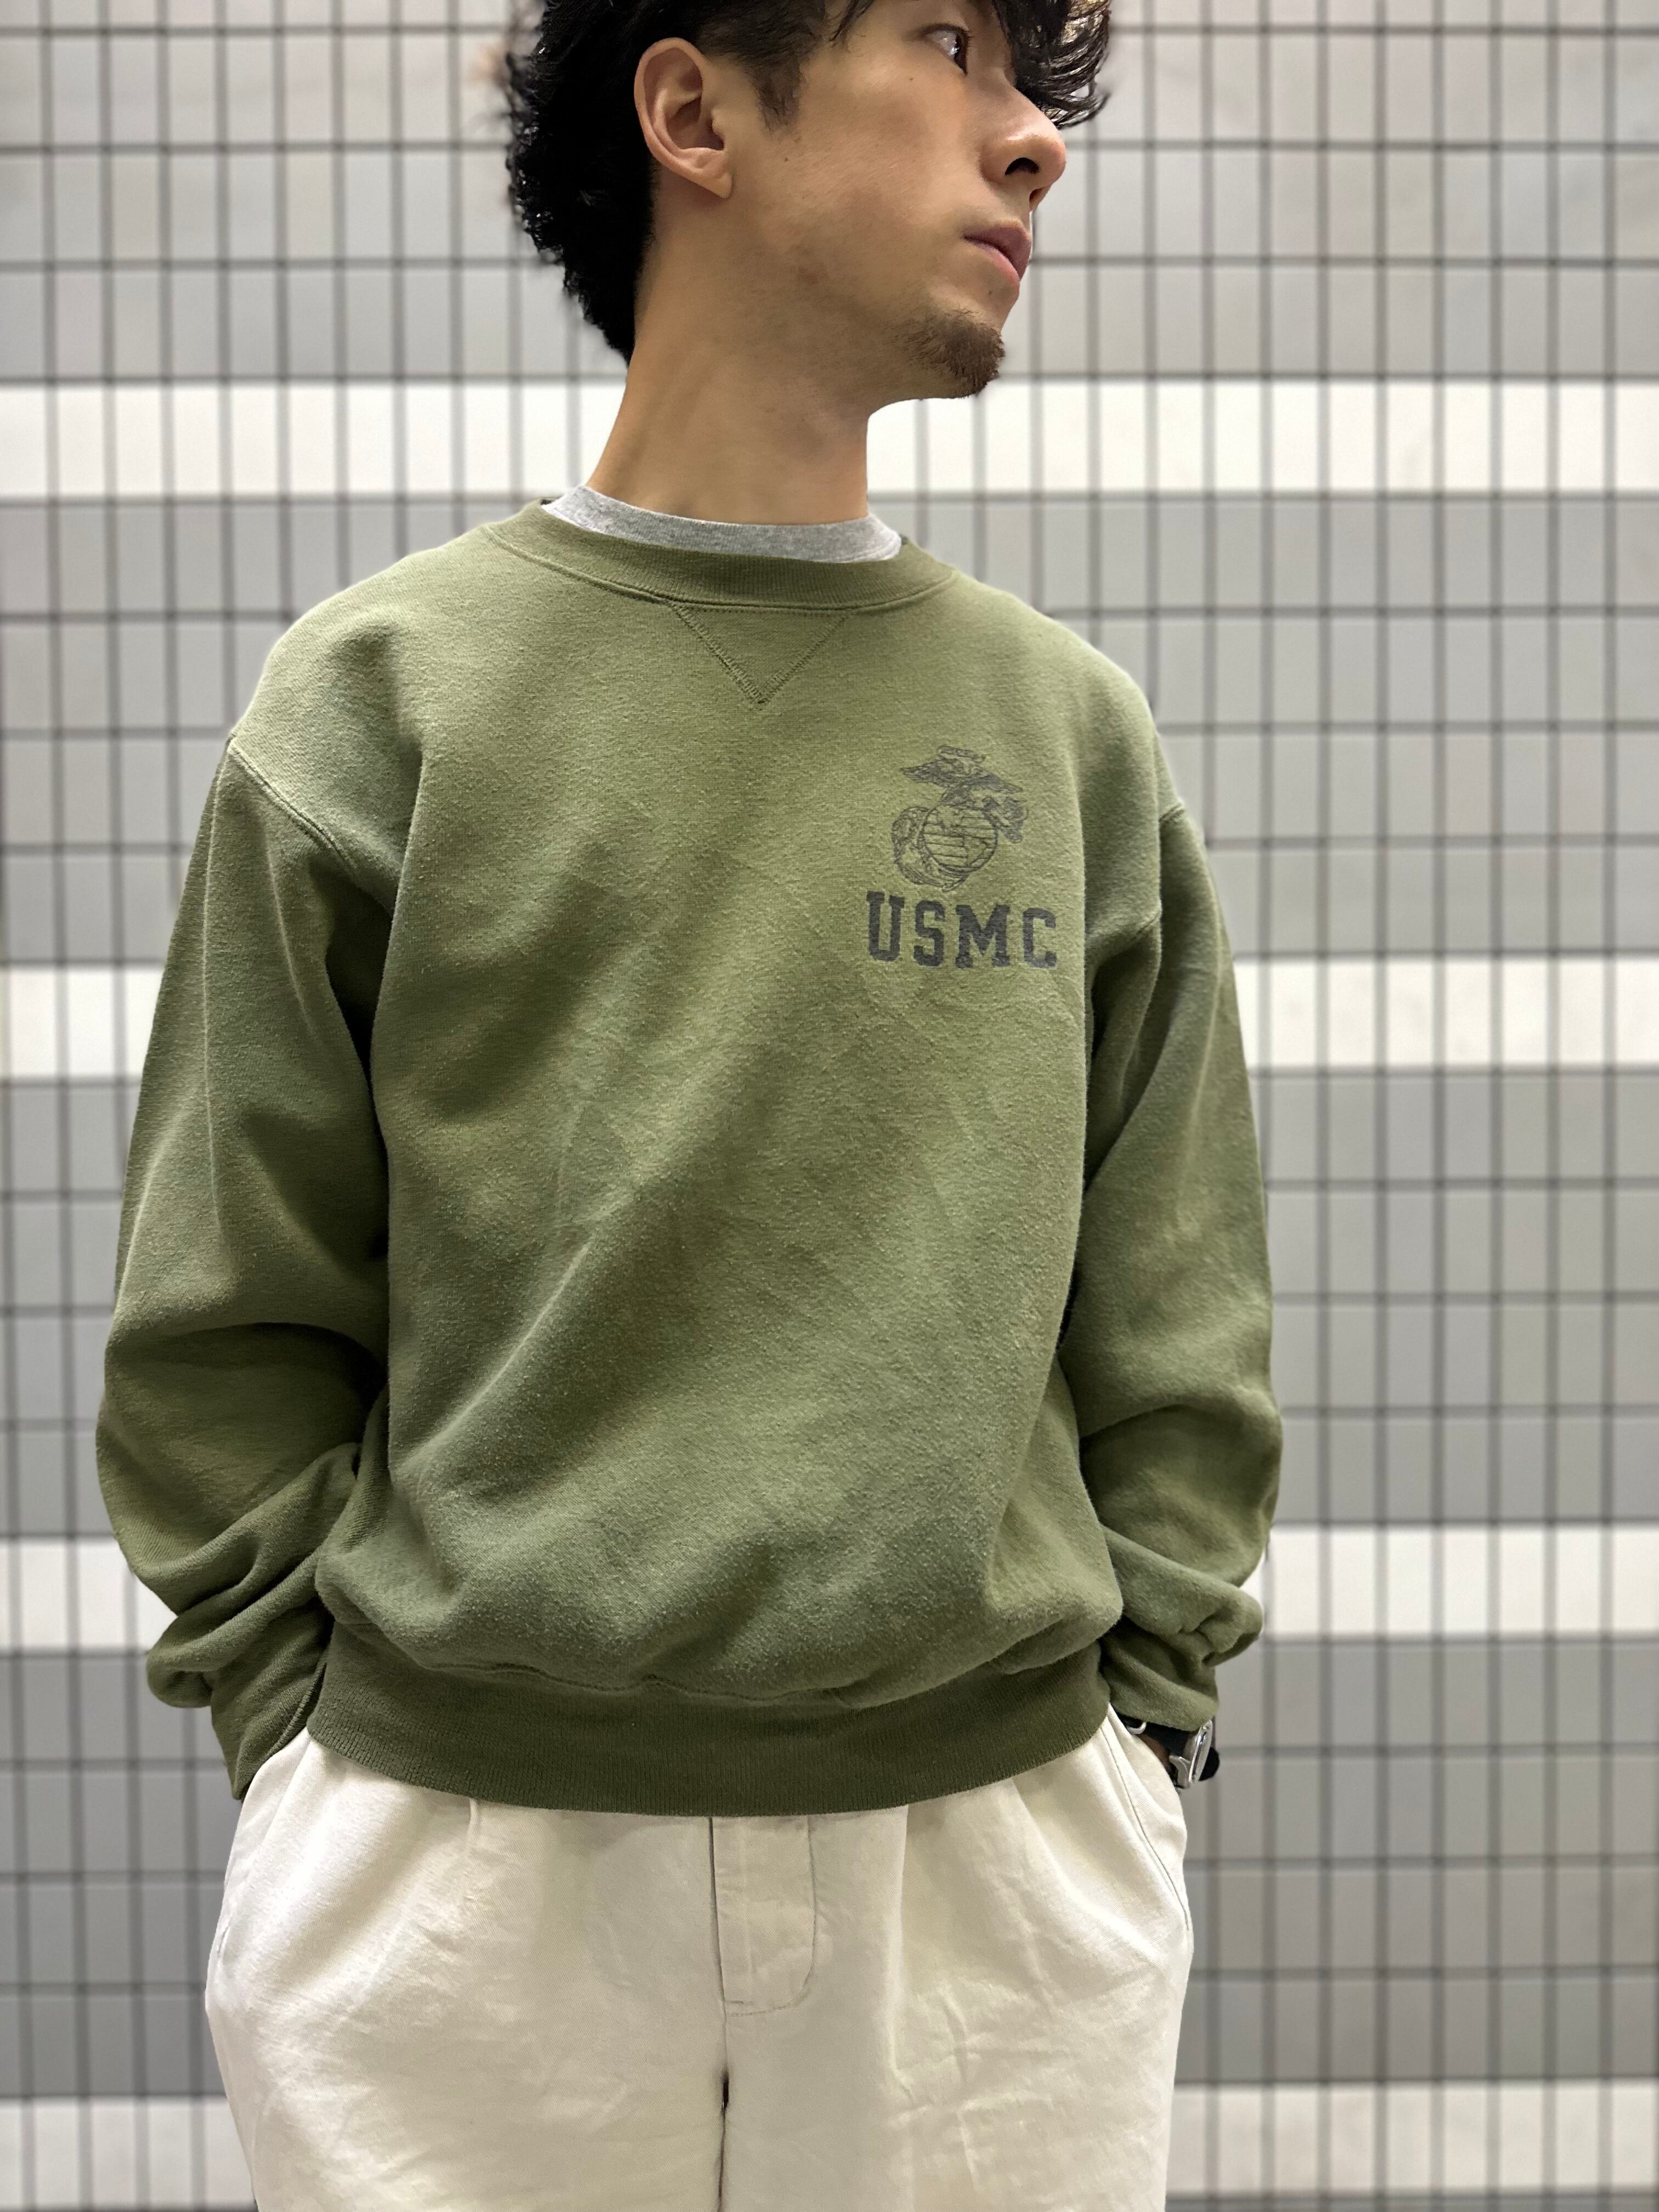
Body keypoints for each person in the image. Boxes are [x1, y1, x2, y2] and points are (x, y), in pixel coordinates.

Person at [94, 0, 1282, 2204]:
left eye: (1035, 87)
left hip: (993, 1874)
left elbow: (1176, 1307)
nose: (1030, 140)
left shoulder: (1066, 737)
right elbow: (225, 1308)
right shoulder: (382, 701)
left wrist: (1137, 1733)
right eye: (949, 41)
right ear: (690, 110)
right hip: (459, 1883)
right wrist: (306, 1750)